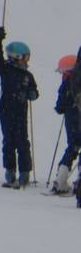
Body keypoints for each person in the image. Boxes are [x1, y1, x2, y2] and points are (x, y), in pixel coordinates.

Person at [0, 27, 40, 186]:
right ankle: (10, 171)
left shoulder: (28, 76)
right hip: (6, 110)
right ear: (16, 57)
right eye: (25, 58)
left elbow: (34, 90)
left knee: (22, 142)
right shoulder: (6, 70)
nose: (27, 61)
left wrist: (32, 94)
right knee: (9, 142)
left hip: (20, 113)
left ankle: (24, 173)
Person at [54, 55, 80, 195]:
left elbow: (59, 107)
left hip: (70, 120)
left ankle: (60, 179)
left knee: (72, 147)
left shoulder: (65, 85)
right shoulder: (78, 82)